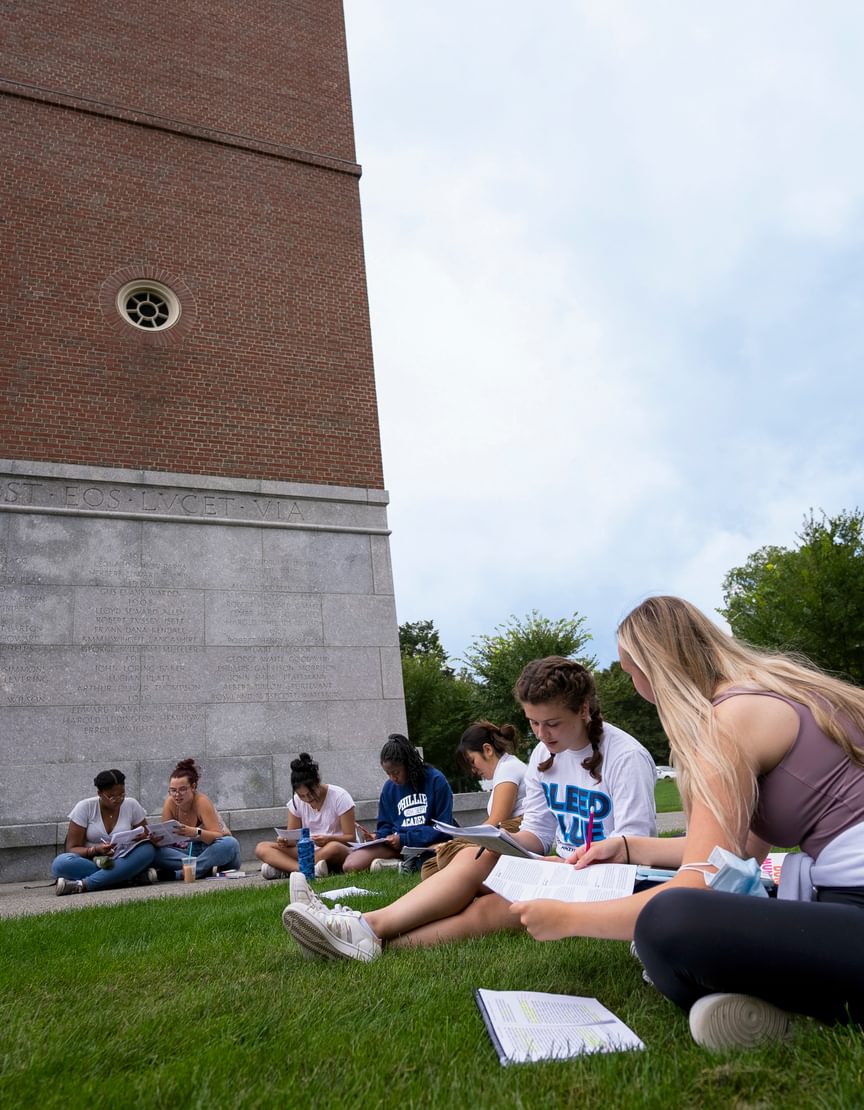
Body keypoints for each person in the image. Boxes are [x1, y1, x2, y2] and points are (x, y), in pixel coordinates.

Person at [510, 597, 864, 1052]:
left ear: (652, 667)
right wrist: (627, 846)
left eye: (628, 669)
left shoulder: (727, 721)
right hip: (843, 900)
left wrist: (567, 918)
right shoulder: (765, 693)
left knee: (667, 921)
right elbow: (736, 853)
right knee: (677, 919)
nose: (630, 682)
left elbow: (703, 881)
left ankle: (805, 1013)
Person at [281, 657, 656, 959]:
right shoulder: (545, 754)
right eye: (533, 722)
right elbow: (538, 834)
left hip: (605, 880)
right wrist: (495, 840)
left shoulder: (625, 758)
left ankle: (364, 935)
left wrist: (567, 863)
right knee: (479, 856)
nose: (541, 734)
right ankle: (363, 932)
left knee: (490, 911)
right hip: (560, 868)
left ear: (585, 710)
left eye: (553, 723)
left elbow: (635, 850)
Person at [420, 720, 528, 879]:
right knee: (430, 868)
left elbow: (497, 821)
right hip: (505, 832)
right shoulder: (505, 769)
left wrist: (459, 841)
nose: (473, 770)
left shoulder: (508, 768)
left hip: (517, 830)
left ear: (488, 750)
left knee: (445, 857)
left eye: (472, 761)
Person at [341, 734, 454, 874]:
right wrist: (378, 836)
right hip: (398, 846)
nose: (393, 778)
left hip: (429, 843)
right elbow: (386, 825)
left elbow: (444, 827)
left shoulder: (436, 780)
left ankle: (405, 864)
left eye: (396, 772)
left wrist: (405, 838)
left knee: (429, 860)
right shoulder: (389, 788)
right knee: (351, 864)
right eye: (388, 774)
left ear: (408, 764)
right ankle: (401, 863)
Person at [51, 768, 157, 895]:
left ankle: (83, 884)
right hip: (93, 861)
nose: (118, 800)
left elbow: (147, 836)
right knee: (60, 864)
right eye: (112, 796)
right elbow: (72, 849)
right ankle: (128, 878)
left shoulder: (131, 805)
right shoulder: (85, 807)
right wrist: (95, 850)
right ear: (100, 793)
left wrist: (142, 838)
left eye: (122, 795)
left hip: (123, 859)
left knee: (147, 849)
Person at [255, 753, 356, 879]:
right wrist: (285, 841)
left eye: (311, 793)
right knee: (262, 847)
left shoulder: (340, 796)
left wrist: (328, 839)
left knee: (333, 848)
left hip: (333, 849)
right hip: (306, 851)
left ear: (317, 781)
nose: (308, 799)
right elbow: (293, 838)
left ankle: (286, 868)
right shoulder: (296, 802)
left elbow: (351, 838)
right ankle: (304, 870)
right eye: (302, 796)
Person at [151, 758, 241, 879]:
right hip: (187, 853)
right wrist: (156, 840)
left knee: (231, 843)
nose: (177, 795)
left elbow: (217, 835)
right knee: (152, 852)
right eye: (173, 790)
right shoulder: (170, 803)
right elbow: (167, 839)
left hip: (210, 849)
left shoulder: (202, 802)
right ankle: (203, 869)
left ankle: (181, 874)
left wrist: (195, 832)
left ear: (193, 787)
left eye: (182, 789)